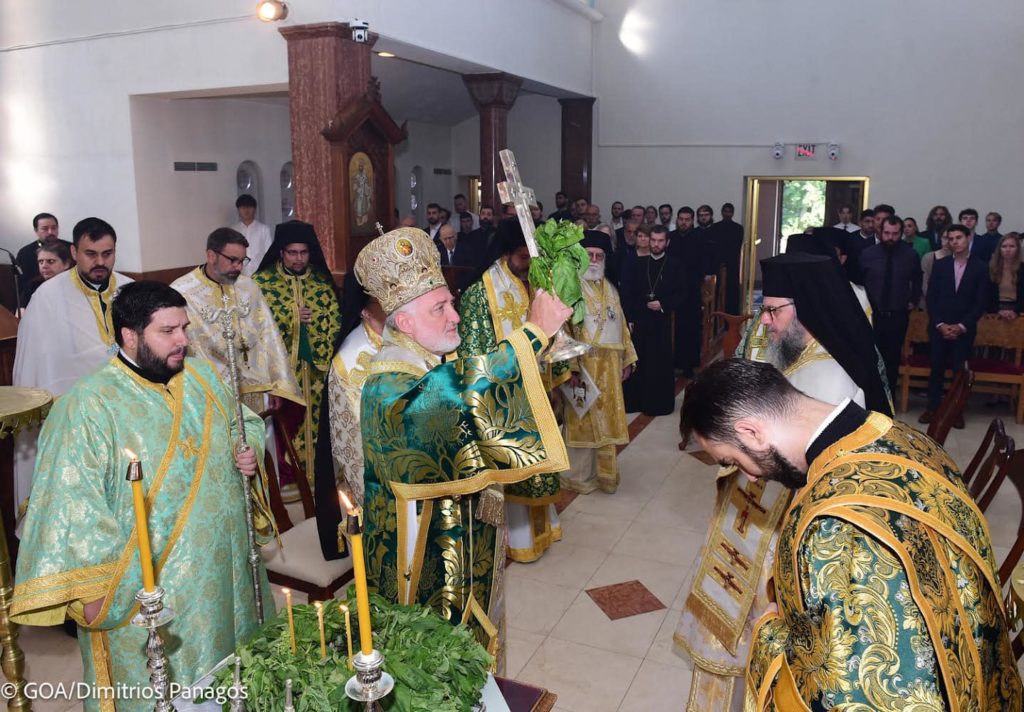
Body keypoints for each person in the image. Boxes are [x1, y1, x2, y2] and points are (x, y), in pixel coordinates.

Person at [681, 358, 1023, 711]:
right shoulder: (908, 439)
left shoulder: (829, 525)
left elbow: (844, 693)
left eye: (734, 460)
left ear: (751, 432)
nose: (751, 477)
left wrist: (768, 628)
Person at [12, 281, 274, 712]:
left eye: (184, 328)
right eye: (167, 331)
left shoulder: (203, 376)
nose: (182, 340)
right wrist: (95, 594)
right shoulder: (87, 406)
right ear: (129, 336)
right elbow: (71, 505)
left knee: (235, 681)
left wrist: (244, 452)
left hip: (226, 574)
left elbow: (241, 424)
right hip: (153, 594)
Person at [675, 252, 890, 710]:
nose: (765, 322)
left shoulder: (832, 377)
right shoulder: (793, 352)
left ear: (807, 308)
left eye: (773, 311)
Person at [355, 226, 571, 668]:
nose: (455, 316)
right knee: (436, 665)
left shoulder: (430, 357)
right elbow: (453, 400)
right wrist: (532, 334)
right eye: (440, 308)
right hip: (420, 558)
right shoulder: (386, 382)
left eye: (450, 303)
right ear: (404, 323)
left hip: (467, 539)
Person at [457, 219, 571, 563]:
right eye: (523, 258)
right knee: (515, 467)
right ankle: (518, 541)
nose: (528, 266)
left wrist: (555, 381)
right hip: (506, 396)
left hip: (539, 388)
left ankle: (544, 529)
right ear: (506, 253)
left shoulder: (536, 280)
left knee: (541, 466)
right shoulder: (482, 292)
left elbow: (553, 336)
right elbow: (474, 356)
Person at [13, 217, 135, 527]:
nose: (100, 262)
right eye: (90, 254)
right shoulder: (48, 298)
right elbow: (37, 366)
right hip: (73, 420)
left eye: (107, 253)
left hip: (128, 416)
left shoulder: (130, 290)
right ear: (74, 252)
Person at [171, 227, 302, 415]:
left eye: (242, 261)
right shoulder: (182, 292)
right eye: (233, 260)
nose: (239, 268)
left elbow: (269, 335)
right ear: (211, 256)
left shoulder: (249, 287)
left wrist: (276, 385)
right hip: (208, 391)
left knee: (253, 431)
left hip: (253, 387)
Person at [253, 221, 341, 484]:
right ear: (281, 252)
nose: (299, 258)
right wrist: (292, 317)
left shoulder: (321, 281)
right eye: (292, 252)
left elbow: (335, 321)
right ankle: (292, 478)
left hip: (316, 372)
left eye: (303, 252)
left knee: (319, 424)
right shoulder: (262, 282)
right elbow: (256, 325)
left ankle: (319, 478)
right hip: (283, 374)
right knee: (286, 425)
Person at [313, 272, 384, 561]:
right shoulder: (351, 361)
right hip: (380, 489)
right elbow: (355, 451)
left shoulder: (397, 338)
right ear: (365, 310)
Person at [562, 231, 636, 494]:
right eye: (589, 255)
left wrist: (627, 359)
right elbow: (564, 331)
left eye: (599, 256)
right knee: (582, 419)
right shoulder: (570, 288)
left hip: (610, 367)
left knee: (607, 421)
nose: (593, 260)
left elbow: (622, 327)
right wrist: (570, 367)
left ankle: (604, 475)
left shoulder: (612, 289)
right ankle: (578, 477)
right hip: (583, 365)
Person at [921, 224, 989, 423]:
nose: (955, 242)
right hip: (939, 327)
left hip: (964, 329)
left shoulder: (980, 267)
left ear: (968, 238)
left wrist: (961, 326)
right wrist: (940, 324)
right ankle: (932, 409)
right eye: (951, 239)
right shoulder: (941, 265)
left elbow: (980, 302)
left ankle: (956, 412)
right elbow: (932, 297)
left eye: (959, 237)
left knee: (959, 373)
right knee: (936, 369)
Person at [624, 224, 683, 415]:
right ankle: (636, 402)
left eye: (660, 241)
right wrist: (631, 317)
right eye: (653, 240)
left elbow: (682, 293)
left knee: (658, 363)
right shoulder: (639, 263)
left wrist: (663, 303)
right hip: (641, 320)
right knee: (639, 361)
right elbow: (629, 293)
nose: (656, 244)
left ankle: (658, 403)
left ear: (667, 242)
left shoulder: (675, 264)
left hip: (661, 322)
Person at [858, 216, 922, 390]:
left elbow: (917, 280)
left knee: (892, 360)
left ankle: (889, 398)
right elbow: (859, 281)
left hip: (897, 316)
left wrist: (913, 300)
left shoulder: (910, 255)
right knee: (869, 359)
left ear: (901, 233)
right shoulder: (868, 254)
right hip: (871, 316)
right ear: (881, 232)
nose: (890, 238)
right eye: (887, 233)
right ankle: (870, 397)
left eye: (895, 234)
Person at [15, 212, 72, 308]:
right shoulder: (25, 253)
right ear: (36, 231)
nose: (50, 232)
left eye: (54, 228)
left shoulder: (71, 248)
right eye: (45, 229)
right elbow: (22, 286)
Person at [714, 202, 745, 314]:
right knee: (716, 291)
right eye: (725, 211)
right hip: (717, 263)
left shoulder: (738, 228)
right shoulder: (715, 227)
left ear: (732, 213)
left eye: (729, 212)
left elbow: (737, 247)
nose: (727, 214)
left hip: (732, 264)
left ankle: (732, 316)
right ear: (722, 212)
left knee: (732, 291)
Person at [233, 194, 273, 277]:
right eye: (243, 207)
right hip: (240, 274)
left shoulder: (264, 229)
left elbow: (269, 253)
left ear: (254, 209)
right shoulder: (233, 230)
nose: (246, 210)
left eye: (249, 207)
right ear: (238, 210)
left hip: (260, 273)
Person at [23, 240, 72, 306]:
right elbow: (22, 310)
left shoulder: (76, 285)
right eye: (41, 262)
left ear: (66, 264)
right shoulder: (33, 286)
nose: (44, 266)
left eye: (51, 261)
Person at [989, 232, 1024, 317]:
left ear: (1018, 249)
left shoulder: (1022, 269)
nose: (1008, 249)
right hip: (995, 311)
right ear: (999, 249)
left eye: (1012, 246)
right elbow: (985, 295)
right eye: (1004, 246)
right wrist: (998, 310)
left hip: (1018, 311)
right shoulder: (991, 269)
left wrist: (1015, 311)